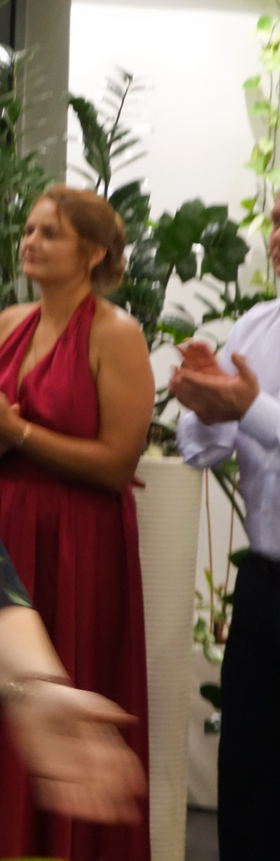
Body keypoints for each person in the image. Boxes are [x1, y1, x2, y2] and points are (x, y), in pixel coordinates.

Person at [0, 186, 154, 861]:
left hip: (77, 545)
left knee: (66, 687)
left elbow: (117, 463)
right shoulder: (8, 323)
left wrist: (16, 432)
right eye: (29, 230)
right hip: (0, 529)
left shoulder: (117, 335)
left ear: (93, 253)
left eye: (49, 233)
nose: (29, 242)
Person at [168, 192, 280, 861]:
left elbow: (255, 418)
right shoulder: (256, 326)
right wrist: (207, 402)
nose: (277, 237)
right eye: (277, 222)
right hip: (264, 589)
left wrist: (249, 408)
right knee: (248, 778)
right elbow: (199, 447)